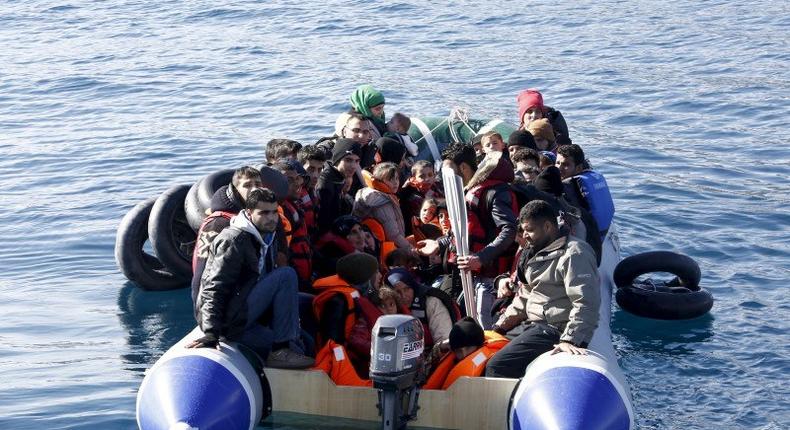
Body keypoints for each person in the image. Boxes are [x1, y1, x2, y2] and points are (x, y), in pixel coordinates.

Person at [189, 188, 314, 369]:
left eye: (274, 212)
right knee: (286, 275)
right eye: (263, 213)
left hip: (248, 309)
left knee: (304, 346)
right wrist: (210, 333)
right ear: (249, 213)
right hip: (230, 321)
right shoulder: (233, 240)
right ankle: (280, 350)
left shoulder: (267, 235)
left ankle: (285, 347)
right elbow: (213, 287)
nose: (271, 218)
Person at [485, 200, 600, 378]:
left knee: (497, 365)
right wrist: (500, 327)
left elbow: (586, 302)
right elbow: (525, 297)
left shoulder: (575, 254)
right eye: (523, 230)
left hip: (556, 328)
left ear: (547, 226)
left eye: (529, 230)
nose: (525, 235)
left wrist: (570, 339)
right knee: (484, 352)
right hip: (533, 325)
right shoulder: (535, 253)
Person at [458, 151, 519, 329]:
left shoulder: (497, 194)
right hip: (476, 268)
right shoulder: (484, 190)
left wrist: (481, 257)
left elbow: (509, 229)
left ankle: (489, 353)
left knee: (485, 322)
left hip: (490, 273)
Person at [191, 166, 262, 305]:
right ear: (235, 190)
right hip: (224, 307)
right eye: (247, 185)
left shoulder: (251, 217)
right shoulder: (218, 224)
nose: (254, 189)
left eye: (258, 184)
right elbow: (202, 272)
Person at [423, 317, 508, 390]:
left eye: (468, 348)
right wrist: (440, 347)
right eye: (458, 351)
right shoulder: (450, 359)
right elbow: (423, 374)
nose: (464, 354)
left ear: (479, 345)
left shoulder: (492, 361)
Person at [386, 268, 456, 348]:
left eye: (407, 289)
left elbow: (444, 340)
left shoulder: (431, 302)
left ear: (413, 287)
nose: (404, 296)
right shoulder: (386, 306)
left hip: (434, 354)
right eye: (397, 292)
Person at [271, 160, 313, 292]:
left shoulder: (293, 206)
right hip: (295, 283)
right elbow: (283, 257)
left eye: (297, 179)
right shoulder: (278, 215)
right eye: (289, 180)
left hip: (306, 275)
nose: (297, 184)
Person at [353, 162, 412, 250]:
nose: (395, 182)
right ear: (379, 181)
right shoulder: (382, 203)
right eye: (390, 179)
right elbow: (393, 236)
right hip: (391, 249)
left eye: (396, 178)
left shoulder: (373, 193)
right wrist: (411, 249)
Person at [315, 139, 361, 235]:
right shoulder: (325, 184)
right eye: (348, 160)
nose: (353, 166)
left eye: (357, 161)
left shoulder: (339, 177)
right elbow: (324, 225)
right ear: (337, 159)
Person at [399, 160, 443, 236]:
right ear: (414, 179)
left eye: (430, 175)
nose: (427, 179)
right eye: (422, 176)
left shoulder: (436, 185)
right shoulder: (414, 198)